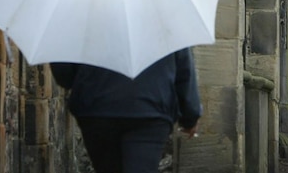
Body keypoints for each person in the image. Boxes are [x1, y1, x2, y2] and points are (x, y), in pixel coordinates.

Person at [51, 49, 201, 173]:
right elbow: (184, 70)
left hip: (97, 108)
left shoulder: (86, 16)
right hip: (150, 110)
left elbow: (63, 71)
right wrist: (190, 117)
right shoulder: (165, 18)